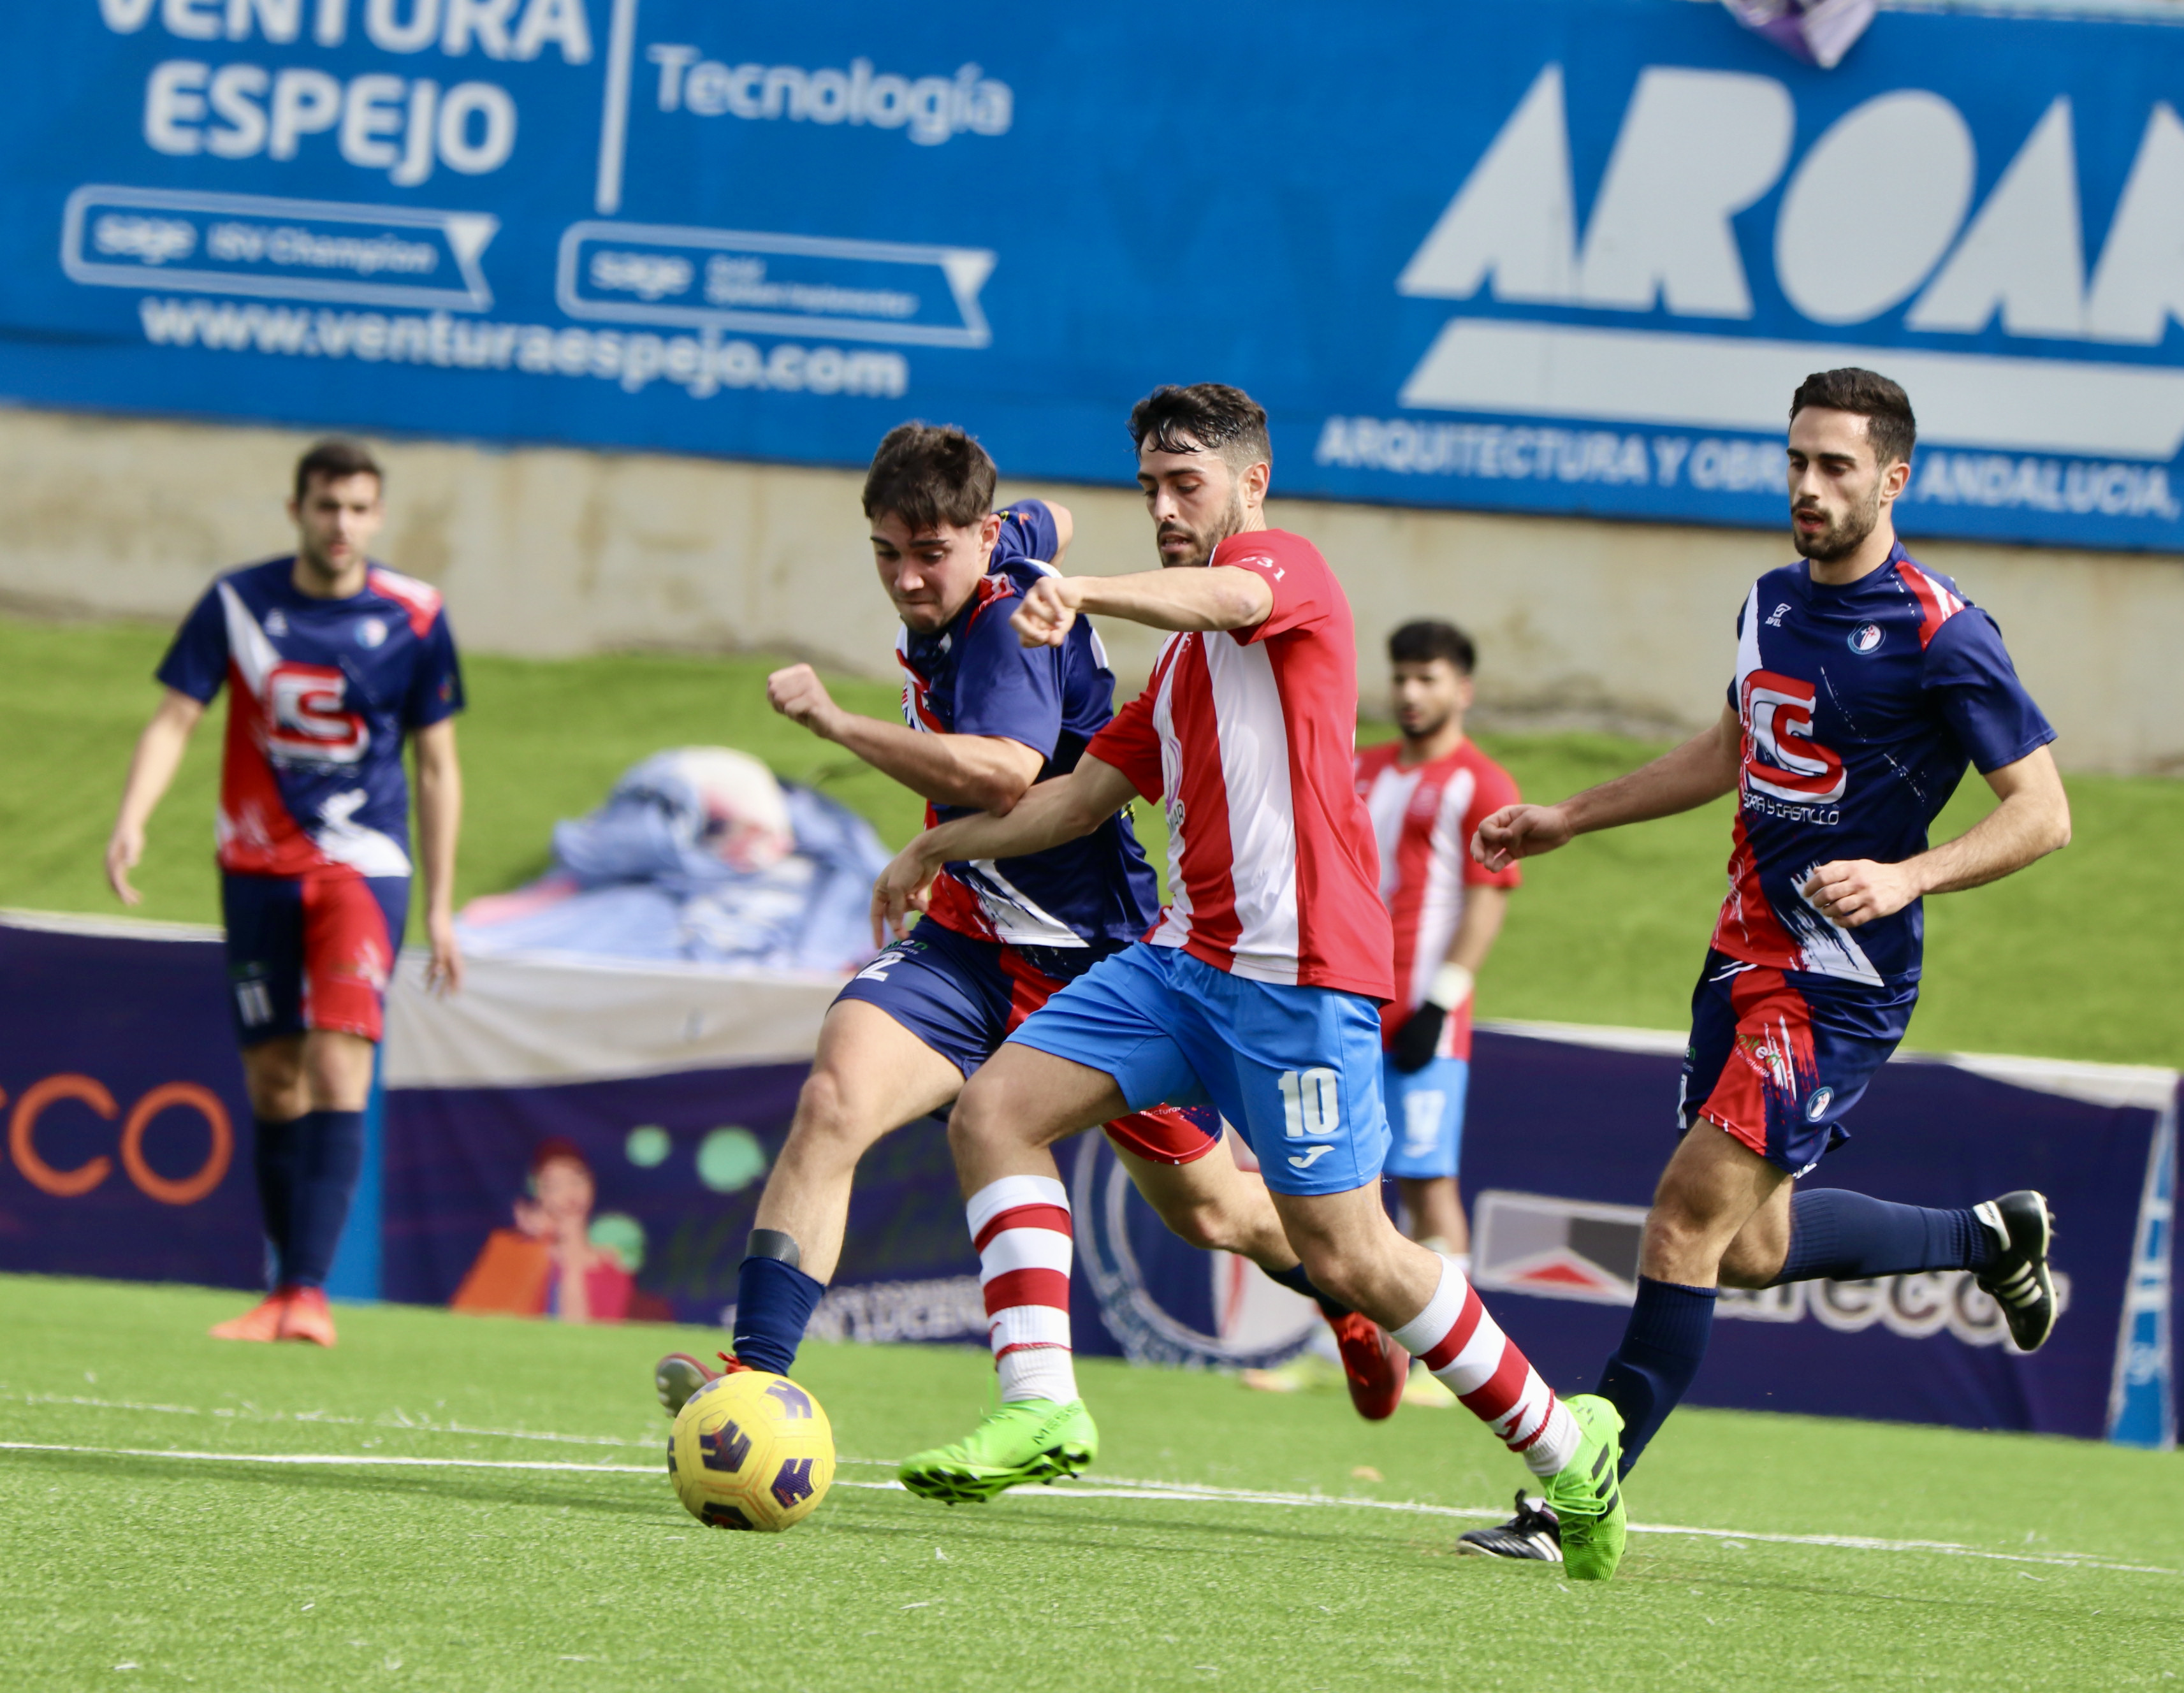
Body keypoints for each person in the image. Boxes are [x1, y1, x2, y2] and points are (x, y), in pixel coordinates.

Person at [868, 384, 1629, 1580]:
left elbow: (1228, 594)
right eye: (1150, 489)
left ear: (1247, 485)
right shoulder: (1173, 672)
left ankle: (1562, 1442)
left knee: (1352, 1259)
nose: (1168, 509)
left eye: (1187, 485)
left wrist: (1088, 588)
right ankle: (1040, 1402)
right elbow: (1072, 799)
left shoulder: (1287, 573)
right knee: (993, 1112)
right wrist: (931, 847)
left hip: (1302, 980)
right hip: (1180, 967)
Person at [653, 422, 1409, 1422]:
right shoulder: (992, 544)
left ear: (977, 539)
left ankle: (1350, 1303)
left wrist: (837, 724)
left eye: (931, 556)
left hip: (1092, 955)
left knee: (1216, 1213)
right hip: (966, 944)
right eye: (888, 554)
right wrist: (1005, 529)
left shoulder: (1009, 617)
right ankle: (754, 1379)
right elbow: (1040, 516)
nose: (910, 580)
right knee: (836, 1098)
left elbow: (1004, 775)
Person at [1455, 368, 2069, 1563]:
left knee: (1681, 1221)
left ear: (1893, 478)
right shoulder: (1767, 601)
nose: (1806, 485)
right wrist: (1572, 815)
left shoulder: (1943, 632)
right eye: (1794, 460)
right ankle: (1989, 1239)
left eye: (1835, 466)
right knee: (1749, 1250)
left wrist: (1905, 876)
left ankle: (1575, 1493)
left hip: (1835, 984)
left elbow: (2041, 812)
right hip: (1739, 959)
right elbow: (1732, 747)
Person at [105, 437, 465, 1348]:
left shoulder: (416, 616)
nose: (339, 524)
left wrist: (441, 905)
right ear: (296, 510)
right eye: (324, 506)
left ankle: (308, 1293)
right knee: (272, 1079)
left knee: (339, 1058)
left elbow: (437, 766)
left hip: (361, 868)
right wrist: (133, 818)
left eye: (356, 508)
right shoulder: (236, 602)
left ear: (376, 516)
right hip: (255, 867)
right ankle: (281, 1288)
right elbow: (175, 718)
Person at [1357, 620, 1519, 1262]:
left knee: (1427, 1187)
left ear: (1464, 690)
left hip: (1425, 1025)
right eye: (1400, 677)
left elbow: (1486, 903)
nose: (1410, 692)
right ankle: (1345, 1350)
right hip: (1349, 1013)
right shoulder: (1357, 769)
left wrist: (1438, 1005)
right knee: (1346, 1191)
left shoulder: (1482, 783)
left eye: (1428, 678)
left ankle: (1442, 1360)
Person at [453, 1138, 635, 1323]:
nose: (569, 1193)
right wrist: (538, 1244)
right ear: (539, 1195)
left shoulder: (612, 1268)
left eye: (577, 1180)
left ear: (592, 1185)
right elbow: (472, 1320)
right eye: (554, 1186)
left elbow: (590, 1336)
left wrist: (571, 1261)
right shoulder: (514, 1251)